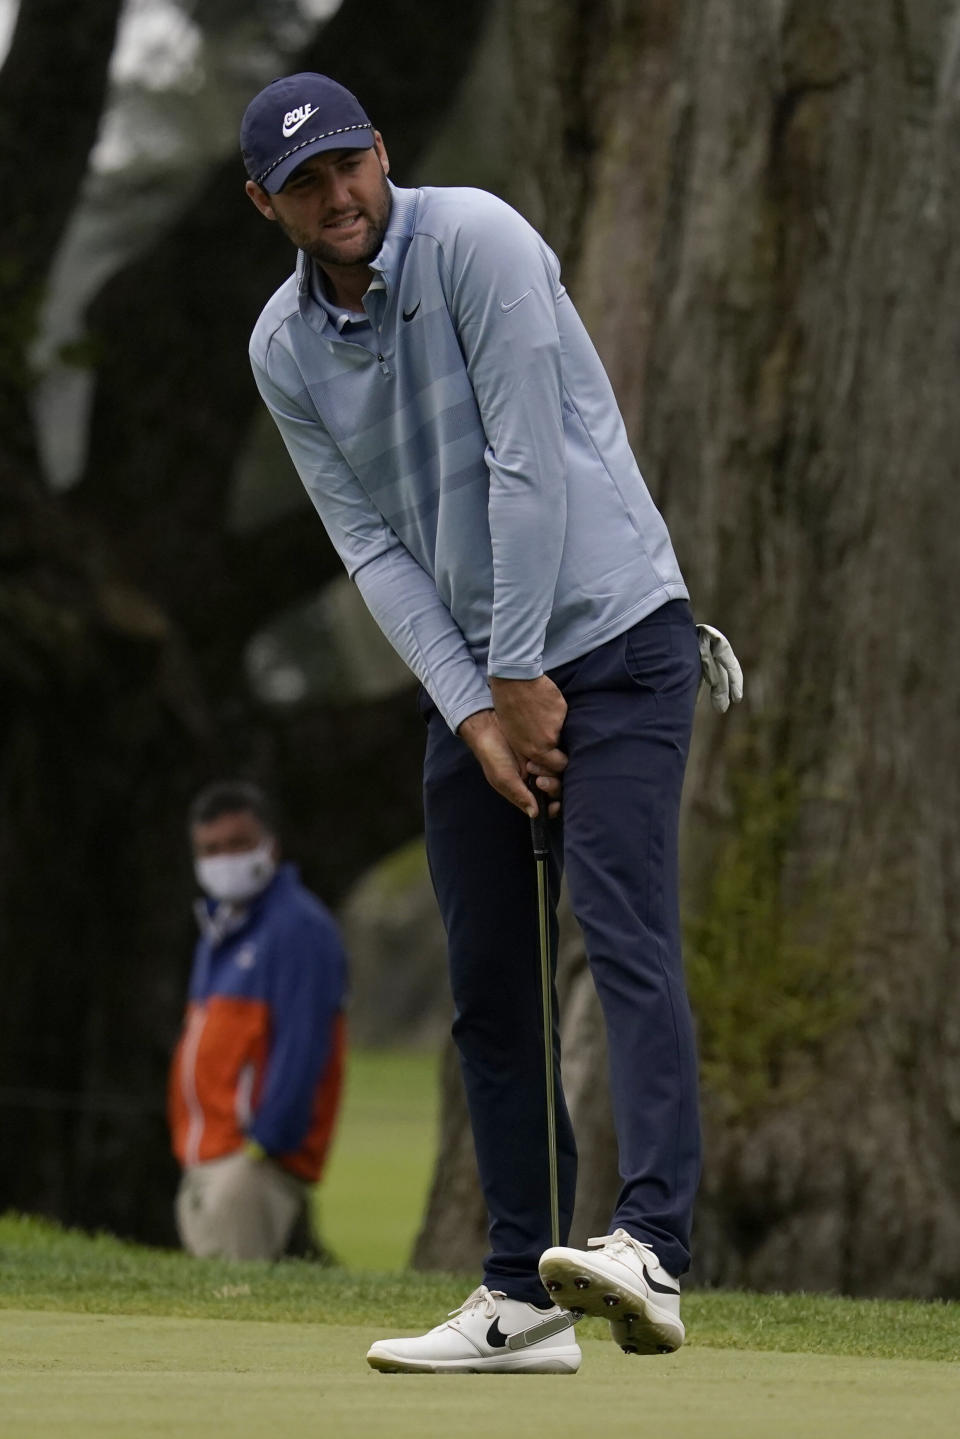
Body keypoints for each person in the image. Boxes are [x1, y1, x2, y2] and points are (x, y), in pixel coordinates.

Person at [239, 74, 743, 1370]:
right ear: (266, 204)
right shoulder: (282, 347)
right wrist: (476, 707)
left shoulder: (481, 240)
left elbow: (525, 460)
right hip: (480, 683)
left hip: (620, 637)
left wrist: (521, 673)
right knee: (488, 989)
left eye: (347, 165)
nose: (337, 195)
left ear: (381, 153)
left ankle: (651, 1243)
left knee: (619, 925)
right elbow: (370, 544)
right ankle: (520, 1291)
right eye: (304, 183)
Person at [168, 780, 348, 1262]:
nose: (223, 859)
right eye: (210, 849)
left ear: (271, 844)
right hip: (206, 1154)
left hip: (249, 1162)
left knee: (233, 1305)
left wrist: (266, 1143)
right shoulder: (219, 928)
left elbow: (304, 1046)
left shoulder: (298, 928)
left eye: (237, 844)